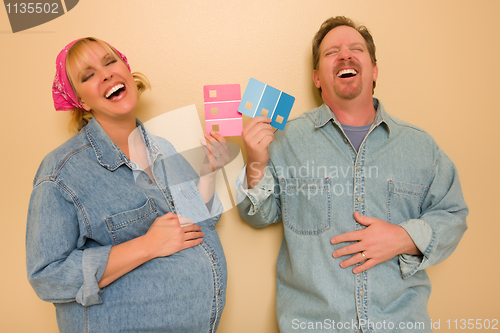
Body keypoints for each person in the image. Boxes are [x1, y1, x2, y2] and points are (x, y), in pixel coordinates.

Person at [236, 16, 467, 332]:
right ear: (317, 78)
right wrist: (256, 162)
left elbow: (453, 215)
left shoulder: (420, 146)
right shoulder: (285, 139)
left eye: (356, 49)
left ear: (374, 70)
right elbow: (257, 215)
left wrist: (404, 237)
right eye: (332, 52)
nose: (345, 55)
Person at [26, 37, 229, 333]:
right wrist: (146, 246)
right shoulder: (61, 173)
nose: (106, 73)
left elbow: (200, 223)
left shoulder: (164, 148)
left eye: (110, 61)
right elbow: (47, 276)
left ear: (127, 69)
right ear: (80, 101)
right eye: (89, 74)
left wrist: (209, 172)